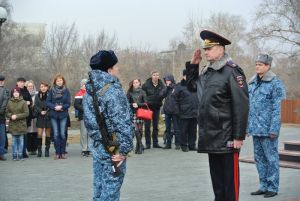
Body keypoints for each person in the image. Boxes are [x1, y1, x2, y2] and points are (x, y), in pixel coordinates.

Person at [185, 30, 249, 201]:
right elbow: (192, 88)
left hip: (227, 136)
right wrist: (193, 65)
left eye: (210, 48)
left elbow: (241, 106)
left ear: (221, 49)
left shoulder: (232, 71)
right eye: (205, 49)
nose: (206, 52)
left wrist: (238, 136)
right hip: (211, 135)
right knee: (218, 185)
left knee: (230, 185)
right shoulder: (208, 71)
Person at [83, 50, 133, 201]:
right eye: (115, 67)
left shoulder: (89, 91)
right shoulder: (112, 91)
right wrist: (124, 150)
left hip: (98, 148)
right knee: (110, 192)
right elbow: (123, 122)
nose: (117, 70)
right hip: (114, 149)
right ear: (109, 70)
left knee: (98, 190)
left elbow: (89, 123)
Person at [248, 54, 286, 198]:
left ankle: (273, 187)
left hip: (268, 129)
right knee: (259, 159)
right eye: (256, 64)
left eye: (261, 64)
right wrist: (247, 127)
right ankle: (263, 185)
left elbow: (279, 109)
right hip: (256, 129)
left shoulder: (276, 84)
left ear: (268, 66)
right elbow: (249, 107)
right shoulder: (252, 83)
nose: (257, 66)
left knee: (271, 158)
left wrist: (274, 128)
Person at [173, 69, 198, 152]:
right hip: (184, 112)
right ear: (184, 76)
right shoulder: (179, 86)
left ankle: (192, 145)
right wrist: (177, 111)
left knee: (193, 130)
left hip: (194, 112)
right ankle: (183, 145)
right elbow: (174, 100)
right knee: (183, 130)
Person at [46, 74, 71, 159]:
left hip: (63, 114)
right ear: (55, 82)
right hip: (54, 114)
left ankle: (63, 152)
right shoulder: (51, 91)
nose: (59, 82)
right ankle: (57, 153)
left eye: (61, 80)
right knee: (56, 134)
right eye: (58, 80)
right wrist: (54, 107)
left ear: (63, 81)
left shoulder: (66, 90)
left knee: (62, 134)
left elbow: (68, 103)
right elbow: (48, 102)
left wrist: (62, 107)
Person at [142, 71, 164, 149]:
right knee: (147, 126)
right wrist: (145, 103)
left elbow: (164, 94)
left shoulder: (161, 85)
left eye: (157, 75)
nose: (155, 76)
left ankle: (155, 143)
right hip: (148, 108)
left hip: (157, 108)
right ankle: (148, 143)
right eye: (154, 75)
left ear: (158, 76)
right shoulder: (146, 85)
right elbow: (142, 95)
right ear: (151, 76)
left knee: (155, 126)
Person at [6, 87, 29, 160]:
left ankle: (21, 155)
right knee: (14, 142)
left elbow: (26, 113)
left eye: (17, 92)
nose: (16, 93)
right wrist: (11, 116)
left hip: (21, 125)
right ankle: (14, 155)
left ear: (19, 93)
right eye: (14, 92)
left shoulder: (23, 102)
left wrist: (17, 116)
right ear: (12, 93)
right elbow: (6, 112)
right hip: (13, 125)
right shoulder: (9, 102)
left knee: (21, 141)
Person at [159, 74, 181, 150]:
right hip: (167, 111)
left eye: (168, 80)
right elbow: (161, 95)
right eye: (166, 80)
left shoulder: (176, 87)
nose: (166, 81)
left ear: (171, 80)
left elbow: (179, 97)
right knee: (168, 128)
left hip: (175, 111)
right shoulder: (166, 88)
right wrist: (167, 87)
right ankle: (168, 144)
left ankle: (178, 144)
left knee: (176, 128)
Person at [127, 79, 147, 154]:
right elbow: (126, 103)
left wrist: (138, 104)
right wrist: (132, 104)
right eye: (134, 83)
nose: (135, 84)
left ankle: (139, 145)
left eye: (137, 82)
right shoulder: (129, 92)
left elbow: (146, 103)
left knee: (140, 130)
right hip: (133, 113)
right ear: (132, 84)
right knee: (136, 130)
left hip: (140, 113)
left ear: (139, 83)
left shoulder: (143, 92)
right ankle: (140, 146)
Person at [16, 77, 32, 158]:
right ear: (17, 83)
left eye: (23, 82)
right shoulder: (15, 90)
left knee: (25, 134)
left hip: (27, 115)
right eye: (20, 82)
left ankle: (24, 151)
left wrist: (30, 102)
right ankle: (19, 151)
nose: (22, 83)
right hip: (19, 115)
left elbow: (31, 101)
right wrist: (25, 103)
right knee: (19, 134)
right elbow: (14, 102)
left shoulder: (26, 90)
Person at [34, 82, 52, 157]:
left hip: (48, 116)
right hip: (40, 116)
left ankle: (47, 150)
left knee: (48, 134)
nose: (43, 88)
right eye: (41, 87)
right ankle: (39, 151)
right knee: (39, 134)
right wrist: (40, 111)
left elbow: (52, 105)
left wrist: (47, 111)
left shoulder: (50, 95)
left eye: (45, 86)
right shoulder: (37, 96)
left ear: (47, 87)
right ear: (40, 88)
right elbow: (35, 106)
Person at [74, 78, 90, 157]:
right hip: (83, 116)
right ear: (81, 85)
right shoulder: (79, 94)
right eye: (84, 84)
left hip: (91, 117)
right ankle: (84, 149)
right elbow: (76, 105)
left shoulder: (91, 93)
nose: (85, 86)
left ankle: (89, 148)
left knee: (90, 133)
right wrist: (85, 109)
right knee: (84, 133)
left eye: (86, 84)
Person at [26, 80, 38, 155]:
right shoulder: (25, 94)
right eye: (29, 86)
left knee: (35, 132)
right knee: (28, 133)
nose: (30, 87)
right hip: (28, 115)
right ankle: (29, 149)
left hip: (35, 115)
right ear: (26, 87)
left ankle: (35, 149)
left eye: (31, 86)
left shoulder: (37, 94)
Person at [0, 75, 10, 161]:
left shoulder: (5, 91)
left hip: (1, 117)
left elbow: (5, 101)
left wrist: (0, 111)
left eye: (2, 80)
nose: (1, 82)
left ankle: (1, 154)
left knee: (2, 137)